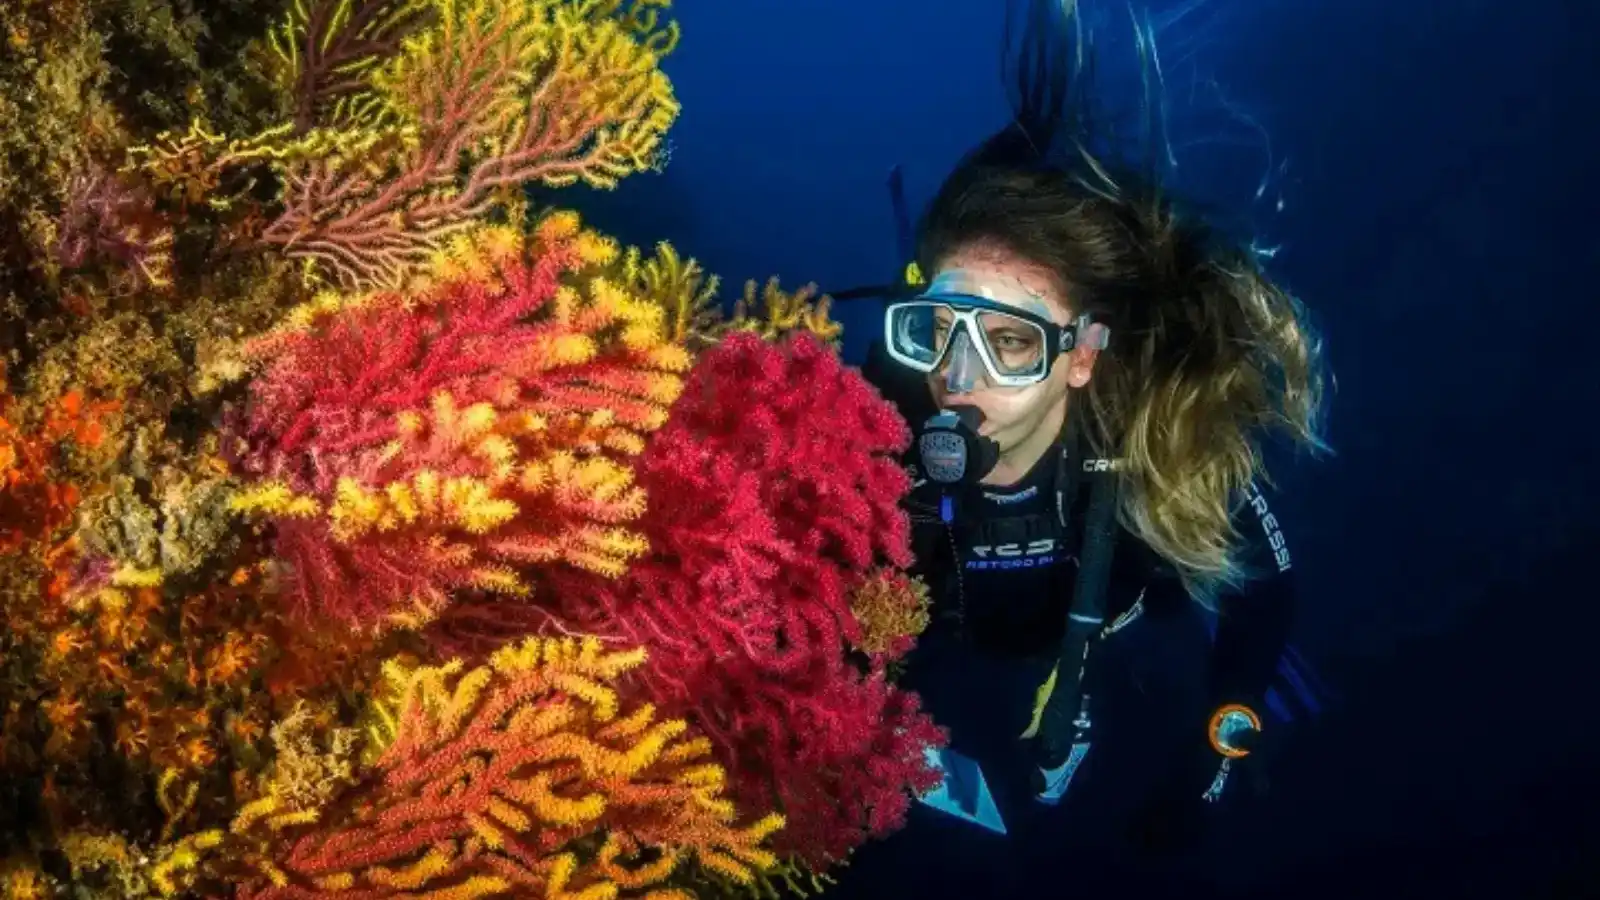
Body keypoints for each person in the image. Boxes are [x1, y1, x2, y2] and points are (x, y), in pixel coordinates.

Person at [834, 0, 1329, 893]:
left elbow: (1268, 596)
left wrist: (1222, 739)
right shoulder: (873, 430)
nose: (958, 376)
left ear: (1081, 358)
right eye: (936, 329)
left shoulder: (1149, 446)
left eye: (1011, 342)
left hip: (1122, 639)